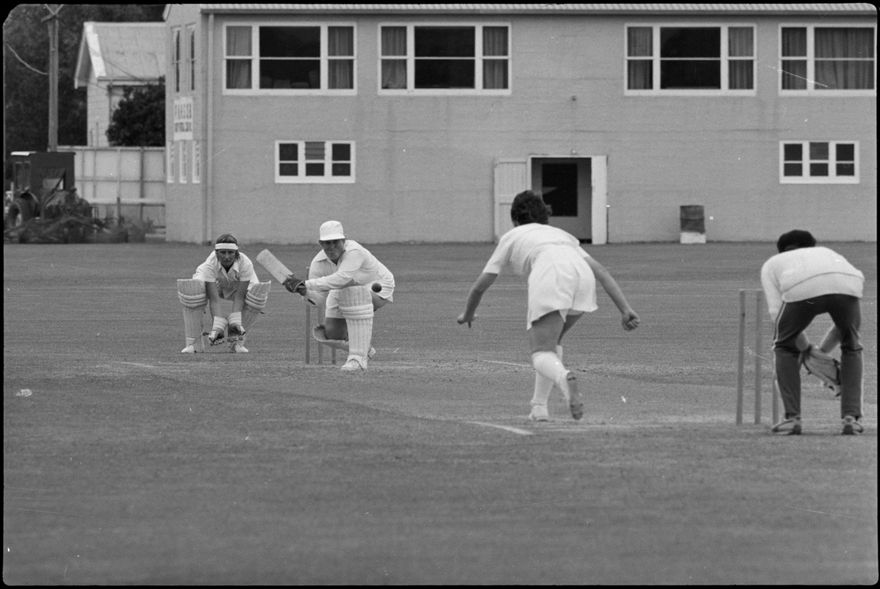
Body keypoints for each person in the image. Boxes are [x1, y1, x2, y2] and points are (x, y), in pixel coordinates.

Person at [457, 190, 640, 421]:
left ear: (514, 219)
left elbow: (480, 286)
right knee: (552, 344)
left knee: (541, 352)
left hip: (551, 274)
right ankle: (539, 408)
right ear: (545, 216)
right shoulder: (562, 235)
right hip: (583, 278)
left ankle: (565, 380)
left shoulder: (512, 235)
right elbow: (601, 271)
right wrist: (625, 309)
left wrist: (468, 314)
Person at [761, 229, 865, 435]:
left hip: (800, 288)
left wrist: (807, 351)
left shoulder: (773, 263)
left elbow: (778, 316)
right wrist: (820, 354)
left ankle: (792, 418)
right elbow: (842, 329)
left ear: (781, 250)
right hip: (849, 282)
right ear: (812, 246)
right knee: (852, 346)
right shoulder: (828, 254)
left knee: (783, 347)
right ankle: (851, 418)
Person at [284, 220, 395, 372]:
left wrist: (307, 284)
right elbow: (319, 300)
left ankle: (357, 359)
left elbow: (342, 278)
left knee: (354, 294)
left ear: (344, 240)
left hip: (377, 285)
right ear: (320, 243)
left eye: (335, 242)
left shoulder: (354, 251)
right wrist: (304, 291)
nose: (331, 246)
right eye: (327, 243)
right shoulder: (318, 263)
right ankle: (365, 348)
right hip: (342, 289)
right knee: (332, 334)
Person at [177, 233, 271, 354]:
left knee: (257, 295)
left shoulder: (245, 264)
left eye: (230, 252)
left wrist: (235, 323)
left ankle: (236, 343)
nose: (227, 257)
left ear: (236, 253)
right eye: (223, 252)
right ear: (216, 253)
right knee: (192, 290)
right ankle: (194, 345)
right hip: (216, 284)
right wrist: (217, 327)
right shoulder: (210, 264)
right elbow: (214, 299)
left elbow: (239, 297)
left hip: (236, 286)